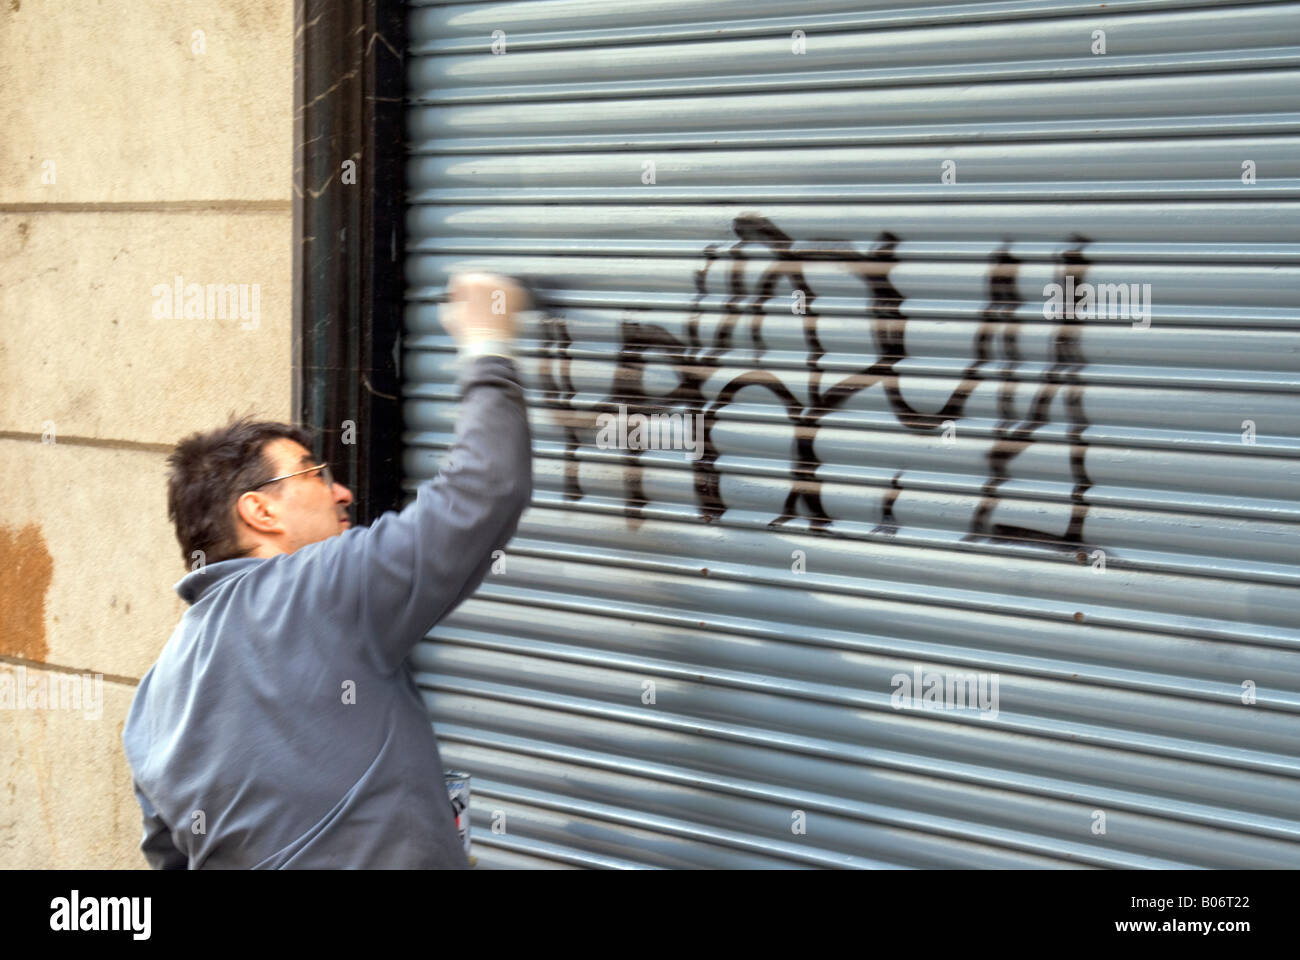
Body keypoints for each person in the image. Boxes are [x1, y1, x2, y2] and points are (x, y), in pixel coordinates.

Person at [122, 273, 532, 868]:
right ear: (258, 511)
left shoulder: (154, 699)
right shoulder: (315, 590)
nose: (342, 492)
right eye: (314, 474)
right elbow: (483, 490)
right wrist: (488, 344)